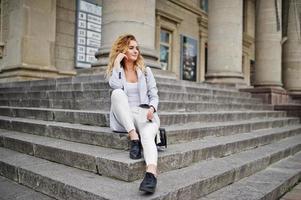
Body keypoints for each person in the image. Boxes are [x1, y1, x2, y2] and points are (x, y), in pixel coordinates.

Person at [105, 34, 160, 193]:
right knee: (116, 93)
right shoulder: (117, 71)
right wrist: (116, 63)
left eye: (137, 48)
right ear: (122, 50)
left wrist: (152, 108)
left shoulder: (146, 71)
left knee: (148, 134)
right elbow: (114, 85)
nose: (136, 51)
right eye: (131, 48)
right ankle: (134, 137)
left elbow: (154, 95)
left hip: (143, 113)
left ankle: (151, 173)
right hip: (125, 116)